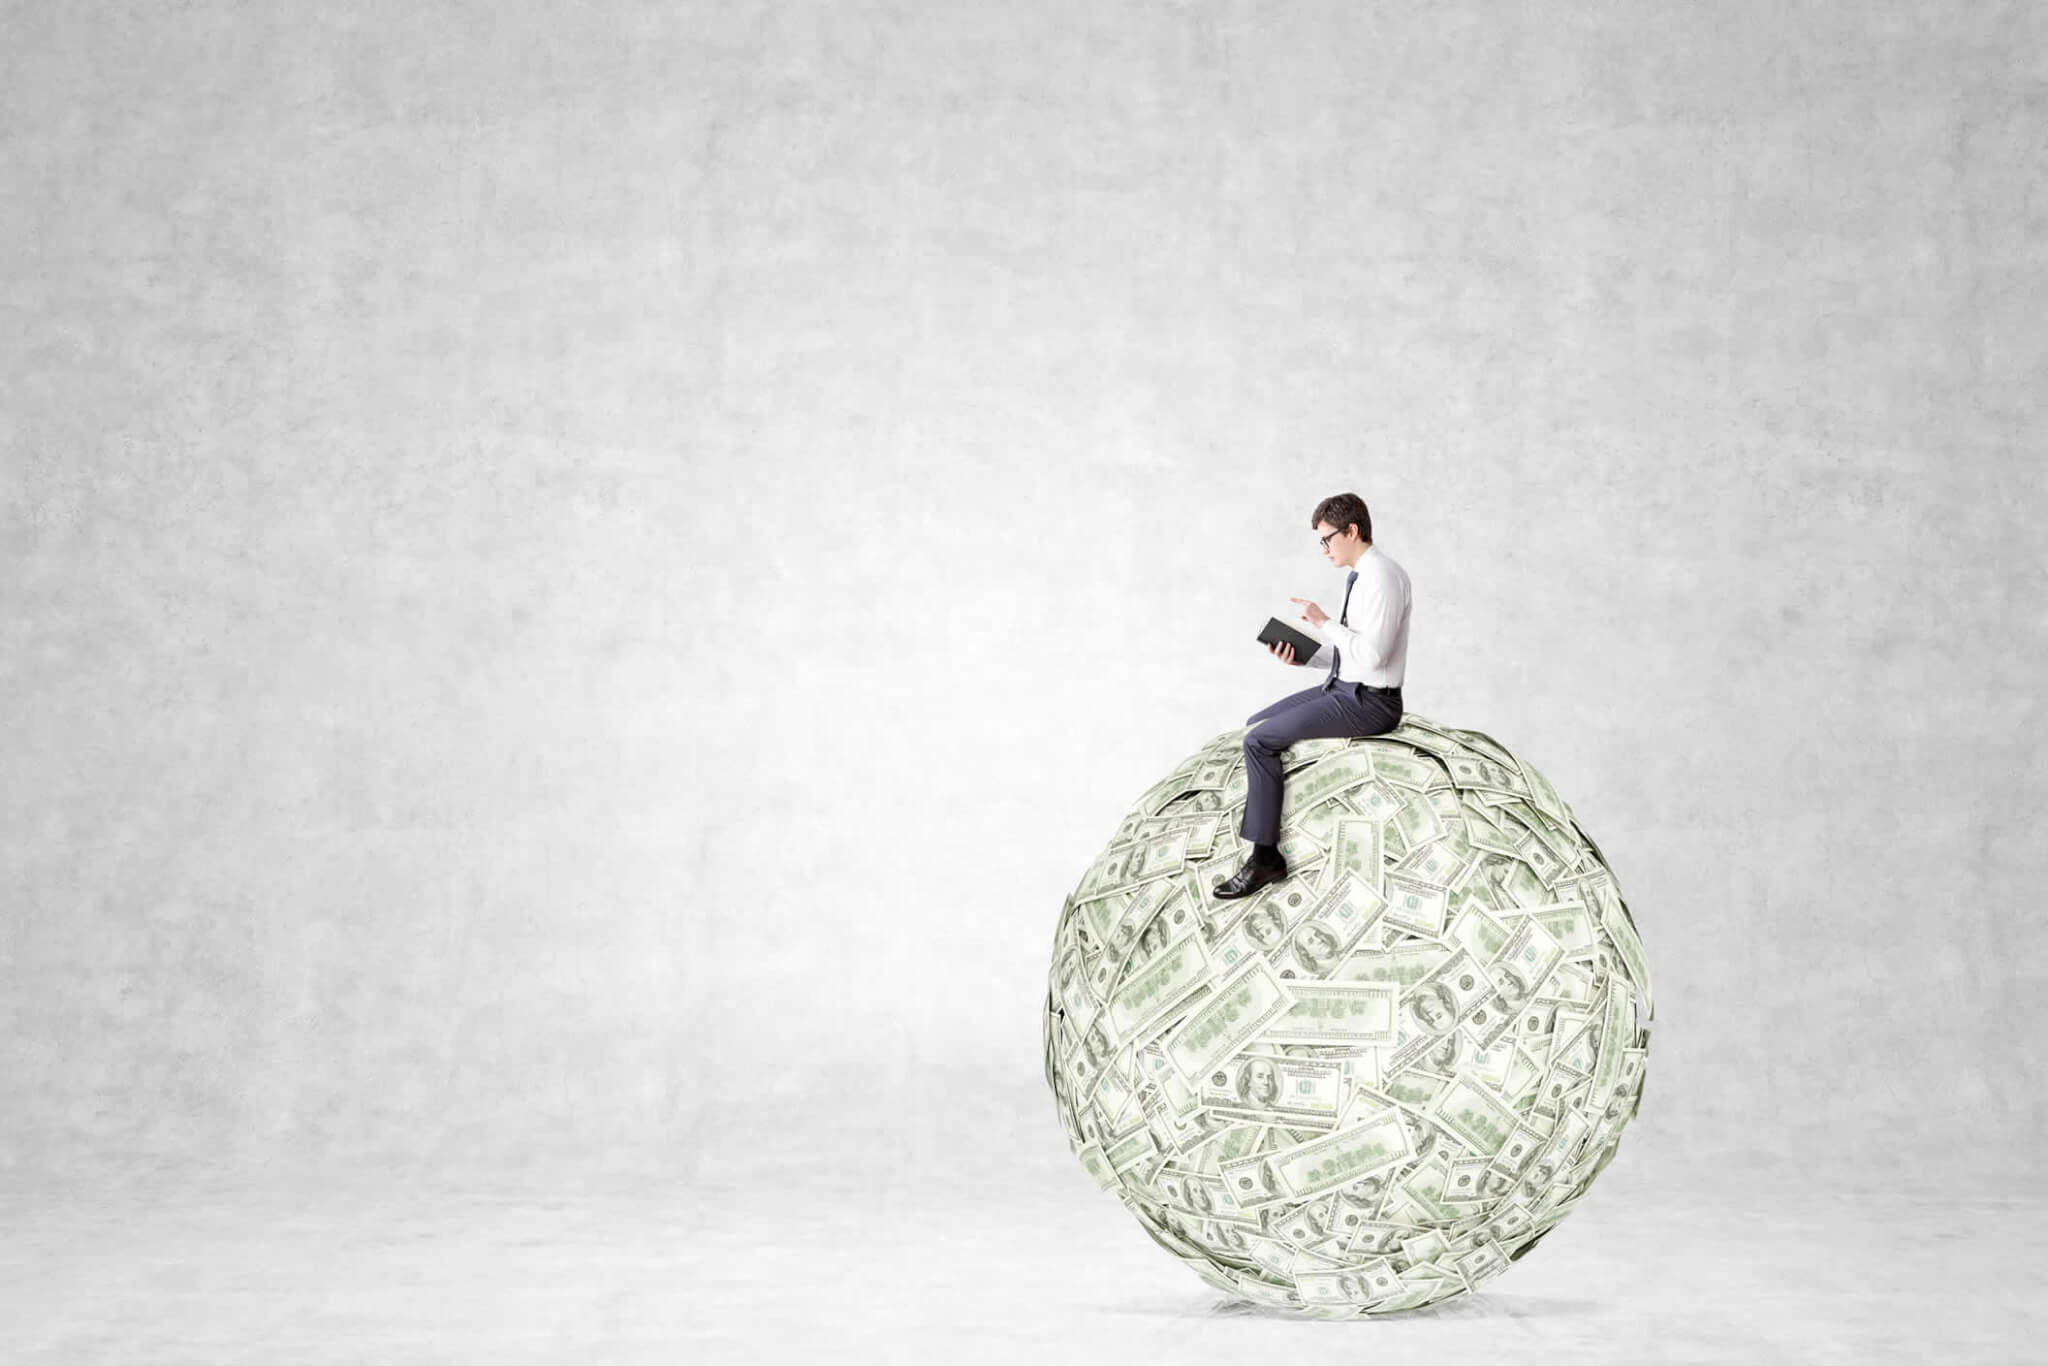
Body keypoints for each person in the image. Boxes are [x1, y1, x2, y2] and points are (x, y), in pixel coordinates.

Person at [1214, 492, 1412, 900]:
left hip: (1372, 703)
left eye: (1327, 540)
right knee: (1256, 724)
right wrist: (1303, 656)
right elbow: (1350, 653)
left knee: (1259, 742)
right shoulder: (1358, 575)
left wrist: (1323, 621)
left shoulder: (1384, 578)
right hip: (1343, 688)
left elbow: (1374, 658)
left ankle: (1265, 858)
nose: (1323, 550)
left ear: (1352, 531)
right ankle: (1266, 832)